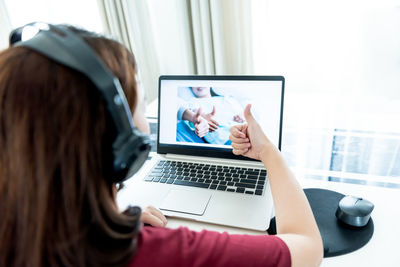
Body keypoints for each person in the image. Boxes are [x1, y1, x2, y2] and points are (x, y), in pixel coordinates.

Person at [0, 24, 323, 267]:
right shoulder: (156, 250)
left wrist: (106, 217)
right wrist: (269, 153)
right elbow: (307, 249)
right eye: (138, 104)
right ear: (121, 139)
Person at [176, 87, 245, 145]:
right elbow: (193, 114)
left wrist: (242, 117)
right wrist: (201, 117)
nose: (200, 85)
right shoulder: (193, 102)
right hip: (226, 141)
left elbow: (244, 115)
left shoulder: (227, 99)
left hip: (243, 133)